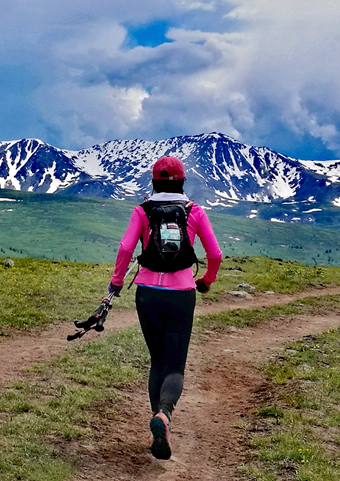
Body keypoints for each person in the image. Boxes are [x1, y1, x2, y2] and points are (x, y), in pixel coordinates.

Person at [107, 155, 221, 460]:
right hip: (182, 293)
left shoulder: (142, 211)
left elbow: (125, 248)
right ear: (182, 182)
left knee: (157, 360)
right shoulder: (194, 211)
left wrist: (116, 283)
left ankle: (158, 419)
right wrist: (207, 280)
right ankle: (165, 415)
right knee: (175, 364)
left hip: (147, 293)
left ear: (153, 181)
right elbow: (215, 253)